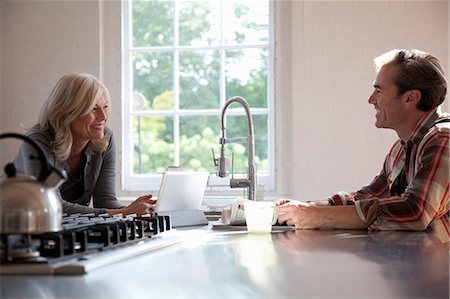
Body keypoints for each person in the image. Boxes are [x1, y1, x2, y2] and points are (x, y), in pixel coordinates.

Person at [276, 49, 449, 242]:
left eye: (379, 91)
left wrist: (318, 216)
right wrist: (307, 207)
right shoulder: (402, 148)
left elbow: (415, 211)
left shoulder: (443, 138)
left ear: (411, 97)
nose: (371, 99)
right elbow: (370, 195)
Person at [14, 73, 155, 216]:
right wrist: (123, 212)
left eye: (105, 107)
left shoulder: (106, 138)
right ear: (68, 111)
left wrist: (132, 211)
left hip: (64, 230)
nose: (104, 117)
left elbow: (105, 202)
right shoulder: (37, 142)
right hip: (15, 225)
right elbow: (52, 205)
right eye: (94, 109)